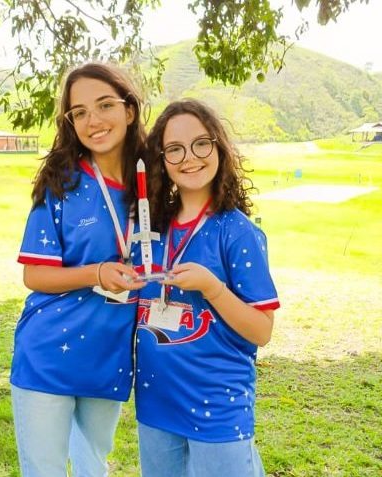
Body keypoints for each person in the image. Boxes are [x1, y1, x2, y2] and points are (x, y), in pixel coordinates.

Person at [10, 62, 146, 477]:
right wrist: (97, 272)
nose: (94, 120)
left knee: (93, 467)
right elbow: (35, 276)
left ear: (129, 110)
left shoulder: (156, 182)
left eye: (105, 105)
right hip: (49, 352)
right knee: (45, 470)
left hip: (110, 353)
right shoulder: (60, 182)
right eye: (80, 112)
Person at [135, 99, 280, 477]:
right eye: (175, 149)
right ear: (162, 160)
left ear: (218, 147)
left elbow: (261, 330)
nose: (190, 158)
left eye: (201, 143)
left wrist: (213, 289)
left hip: (216, 405)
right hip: (155, 402)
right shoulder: (152, 230)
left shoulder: (238, 232)